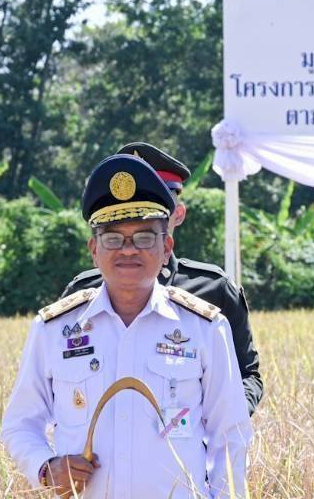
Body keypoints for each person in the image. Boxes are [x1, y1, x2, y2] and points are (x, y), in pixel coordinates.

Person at [2, 154, 254, 499]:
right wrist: (46, 469)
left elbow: (230, 436)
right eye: (113, 238)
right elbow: (19, 423)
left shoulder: (205, 328)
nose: (128, 250)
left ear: (166, 246)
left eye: (144, 237)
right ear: (94, 249)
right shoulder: (55, 329)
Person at [62, 142, 264, 416]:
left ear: (177, 214)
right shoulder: (83, 295)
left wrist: (222, 422)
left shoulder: (213, 291)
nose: (136, 216)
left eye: (158, 204)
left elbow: (245, 374)